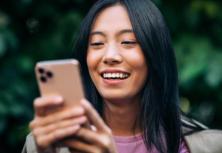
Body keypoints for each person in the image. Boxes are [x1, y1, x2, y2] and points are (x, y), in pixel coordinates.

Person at [22, 0, 222, 153]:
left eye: (127, 42)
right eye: (97, 44)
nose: (110, 57)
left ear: (155, 54)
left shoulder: (210, 146)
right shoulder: (45, 145)